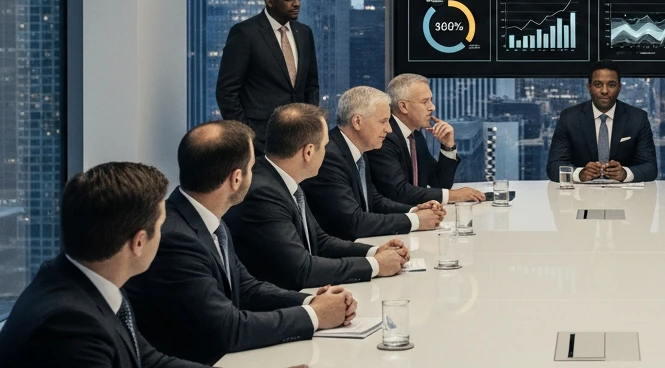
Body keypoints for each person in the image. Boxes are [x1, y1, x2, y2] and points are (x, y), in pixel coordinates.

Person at [125, 121, 357, 364]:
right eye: (252, 167)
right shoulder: (177, 239)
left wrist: (312, 301)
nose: (255, 174)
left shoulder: (206, 217)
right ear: (236, 178)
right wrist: (314, 315)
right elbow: (229, 329)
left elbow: (247, 288)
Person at [0, 162, 213, 368]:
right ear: (139, 242)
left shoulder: (92, 276)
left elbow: (146, 360)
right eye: (161, 226)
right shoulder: (69, 326)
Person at [224, 104, 410, 290]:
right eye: (325, 145)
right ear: (308, 152)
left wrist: (374, 252)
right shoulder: (264, 193)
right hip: (279, 302)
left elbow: (319, 241)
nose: (327, 152)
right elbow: (302, 270)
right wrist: (375, 265)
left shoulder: (285, 179)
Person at [304, 85, 446, 238]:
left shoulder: (359, 149)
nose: (389, 129)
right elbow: (353, 222)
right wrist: (415, 220)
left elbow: (374, 201)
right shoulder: (329, 157)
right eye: (383, 121)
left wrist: (414, 210)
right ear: (357, 122)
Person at [216, 0, 320, 146]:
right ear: (269, 1)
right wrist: (249, 137)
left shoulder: (304, 32)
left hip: (300, 138)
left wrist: (309, 125)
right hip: (261, 140)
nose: (296, 3)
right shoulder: (245, 33)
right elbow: (227, 92)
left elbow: (311, 84)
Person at [368, 73, 485, 204]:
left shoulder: (415, 136)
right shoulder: (383, 136)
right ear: (403, 106)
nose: (432, 107)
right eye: (425, 102)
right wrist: (455, 195)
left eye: (431, 100)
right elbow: (399, 192)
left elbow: (440, 182)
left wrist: (448, 146)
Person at [546, 61, 659, 183]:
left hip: (625, 196)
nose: (604, 91)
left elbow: (650, 168)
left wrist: (624, 174)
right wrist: (580, 173)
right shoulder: (569, 118)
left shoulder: (637, 118)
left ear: (619, 88)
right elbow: (554, 166)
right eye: (598, 84)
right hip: (580, 196)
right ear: (589, 87)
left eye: (611, 85)